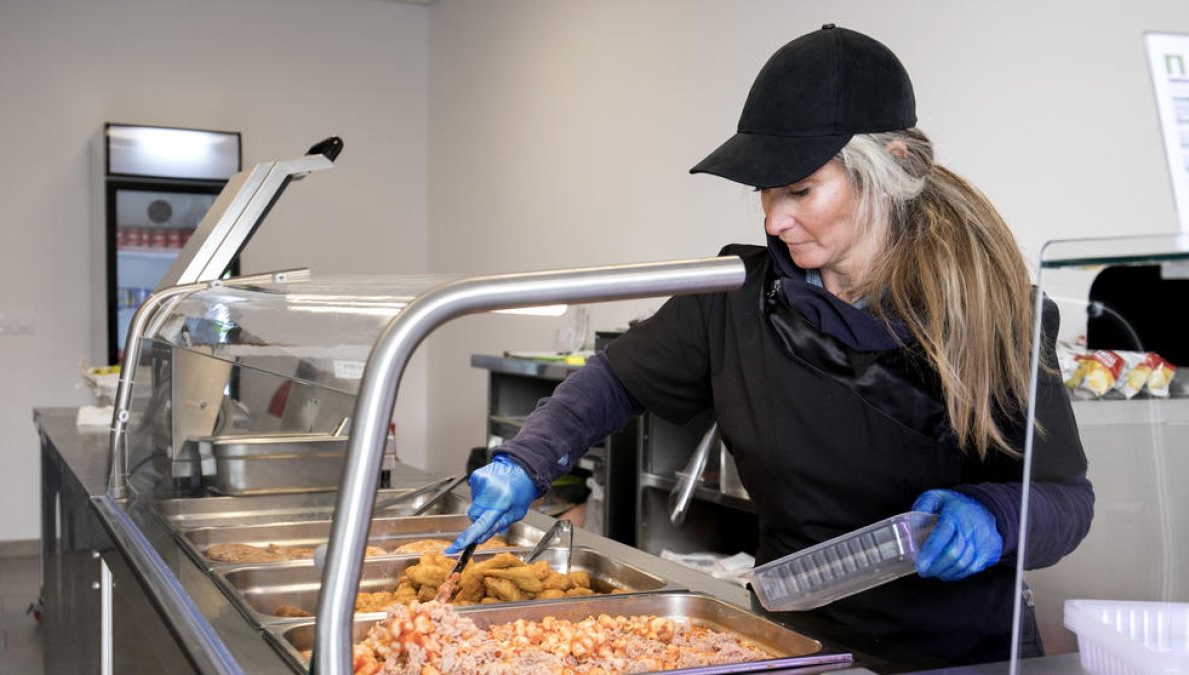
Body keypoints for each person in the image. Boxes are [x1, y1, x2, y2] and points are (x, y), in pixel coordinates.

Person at [449, 24, 1093, 668]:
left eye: (800, 190)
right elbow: (615, 381)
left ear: (893, 167)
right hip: (796, 644)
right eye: (766, 190)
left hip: (962, 654)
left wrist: (994, 515)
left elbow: (1065, 497)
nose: (773, 220)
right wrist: (525, 461)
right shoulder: (738, 300)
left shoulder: (992, 309)